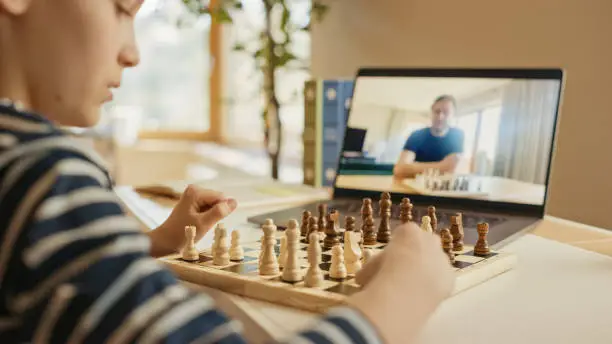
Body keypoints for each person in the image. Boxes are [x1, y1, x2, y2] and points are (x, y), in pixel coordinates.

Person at [0, 1, 455, 343]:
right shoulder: (44, 174)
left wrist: (151, 242)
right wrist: (400, 294)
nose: (134, 53)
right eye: (122, 8)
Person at [393, 95, 465, 179]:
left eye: (446, 112)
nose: (440, 117)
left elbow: (454, 169)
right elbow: (399, 170)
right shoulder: (416, 135)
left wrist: (413, 167)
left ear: (453, 115)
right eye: (437, 111)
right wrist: (442, 166)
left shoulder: (457, 135)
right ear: (431, 112)